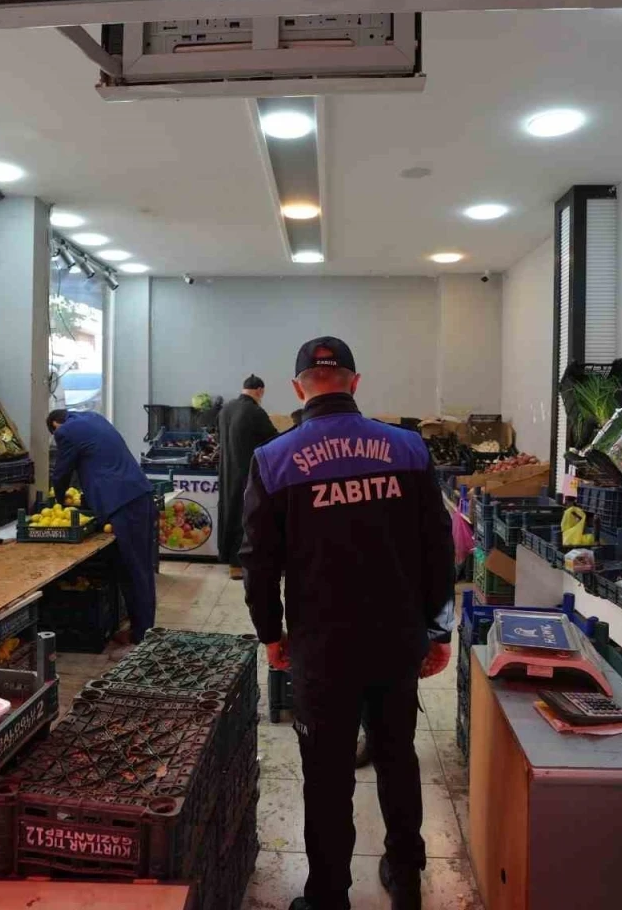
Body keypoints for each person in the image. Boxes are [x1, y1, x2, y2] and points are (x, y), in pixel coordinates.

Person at [240, 337, 454, 910]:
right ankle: (406, 876)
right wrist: (439, 631)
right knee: (396, 755)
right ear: (355, 383)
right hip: (396, 638)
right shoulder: (407, 448)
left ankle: (328, 895)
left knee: (327, 773)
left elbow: (258, 562)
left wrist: (271, 634)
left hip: (322, 646)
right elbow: (438, 548)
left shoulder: (274, 459)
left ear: (298, 389)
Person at [47, 408, 157, 643]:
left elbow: (62, 472)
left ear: (56, 424)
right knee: (141, 566)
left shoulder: (65, 431)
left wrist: (59, 501)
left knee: (134, 569)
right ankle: (143, 628)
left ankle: (142, 635)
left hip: (123, 501)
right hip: (139, 494)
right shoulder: (93, 417)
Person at [217, 374, 279, 580]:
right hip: (247, 473)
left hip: (226, 471)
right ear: (260, 391)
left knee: (228, 512)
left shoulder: (225, 409)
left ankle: (229, 560)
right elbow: (274, 439)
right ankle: (239, 564)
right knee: (245, 516)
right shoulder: (255, 411)